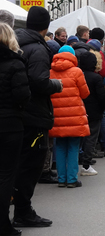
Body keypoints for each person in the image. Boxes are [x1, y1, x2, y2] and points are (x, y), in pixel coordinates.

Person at [13, 6, 63, 228]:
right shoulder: (38, 50)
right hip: (33, 114)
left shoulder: (14, 43)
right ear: (47, 26)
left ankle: (19, 209)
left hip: (15, 113)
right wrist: (57, 84)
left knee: (14, 164)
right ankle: (24, 211)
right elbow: (39, 82)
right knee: (30, 164)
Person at [0, 22, 30, 236]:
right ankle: (3, 224)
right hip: (10, 124)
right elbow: (22, 96)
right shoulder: (14, 62)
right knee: (6, 175)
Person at [48, 45, 90, 188]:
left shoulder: (50, 72)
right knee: (73, 146)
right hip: (74, 115)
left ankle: (61, 178)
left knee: (59, 146)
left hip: (57, 115)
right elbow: (85, 93)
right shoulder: (77, 71)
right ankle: (71, 179)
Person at [79, 51, 105, 177]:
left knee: (77, 139)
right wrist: (102, 109)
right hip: (94, 111)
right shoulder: (96, 78)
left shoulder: (79, 75)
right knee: (91, 138)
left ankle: (75, 163)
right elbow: (101, 96)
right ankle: (86, 164)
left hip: (79, 110)